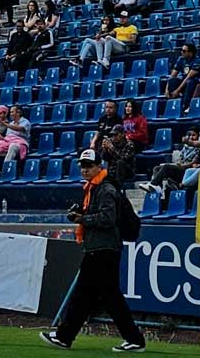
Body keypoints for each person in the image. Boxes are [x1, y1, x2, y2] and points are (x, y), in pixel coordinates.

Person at [43, 150, 146, 352]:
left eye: (89, 166)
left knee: (91, 295)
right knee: (96, 296)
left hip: (103, 249)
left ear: (99, 166)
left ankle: (66, 336)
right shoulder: (96, 188)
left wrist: (83, 218)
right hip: (101, 248)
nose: (85, 170)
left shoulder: (105, 189)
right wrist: (82, 214)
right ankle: (66, 336)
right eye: (83, 166)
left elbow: (107, 219)